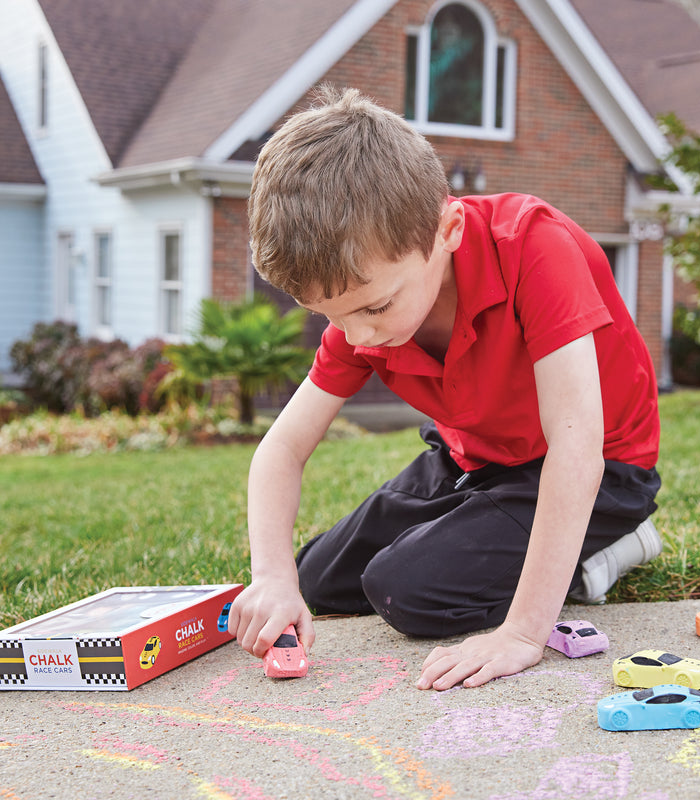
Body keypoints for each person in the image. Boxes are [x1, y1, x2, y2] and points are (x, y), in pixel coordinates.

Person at [227, 86, 662, 691]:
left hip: (600, 471)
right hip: (473, 458)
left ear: (448, 229)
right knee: (317, 577)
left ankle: (608, 550)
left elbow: (577, 448)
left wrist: (521, 633)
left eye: (376, 308)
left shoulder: (533, 248)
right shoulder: (364, 309)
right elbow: (282, 447)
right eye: (330, 317)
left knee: (405, 592)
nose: (359, 337)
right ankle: (482, 531)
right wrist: (272, 575)